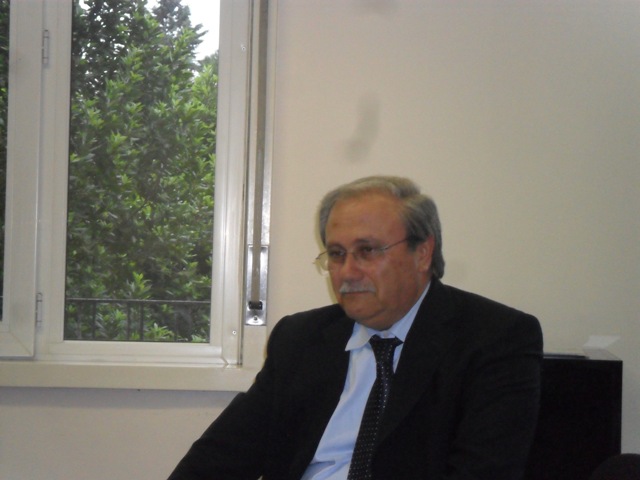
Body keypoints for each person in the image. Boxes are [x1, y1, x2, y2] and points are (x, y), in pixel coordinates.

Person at [168, 175, 543, 480]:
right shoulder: (300, 339)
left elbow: (484, 472)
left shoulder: (494, 339)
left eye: (367, 251)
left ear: (422, 253)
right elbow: (221, 456)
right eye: (336, 254)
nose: (347, 272)